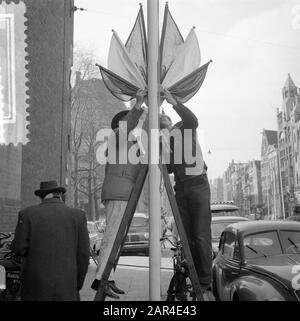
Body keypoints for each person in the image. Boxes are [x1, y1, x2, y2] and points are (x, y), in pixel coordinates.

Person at [92, 89, 147, 299]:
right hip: (118, 194)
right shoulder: (117, 138)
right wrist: (139, 105)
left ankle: (109, 278)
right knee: (112, 236)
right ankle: (100, 280)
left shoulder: (127, 144)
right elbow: (129, 125)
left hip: (124, 194)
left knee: (116, 238)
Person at [160, 89, 212, 293]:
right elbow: (170, 167)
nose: (162, 116)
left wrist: (175, 103)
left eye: (165, 115)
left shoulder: (183, 126)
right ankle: (194, 275)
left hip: (197, 183)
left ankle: (205, 280)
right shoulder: (163, 139)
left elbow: (192, 119)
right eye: (159, 117)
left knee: (200, 234)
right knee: (188, 236)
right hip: (181, 187)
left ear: (171, 119)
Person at [10, 180, 90, 301]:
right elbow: (83, 256)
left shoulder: (27, 214)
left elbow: (18, 248)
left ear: (42, 196)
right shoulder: (78, 216)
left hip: (35, 287)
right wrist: (76, 284)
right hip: (67, 287)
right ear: (59, 195)